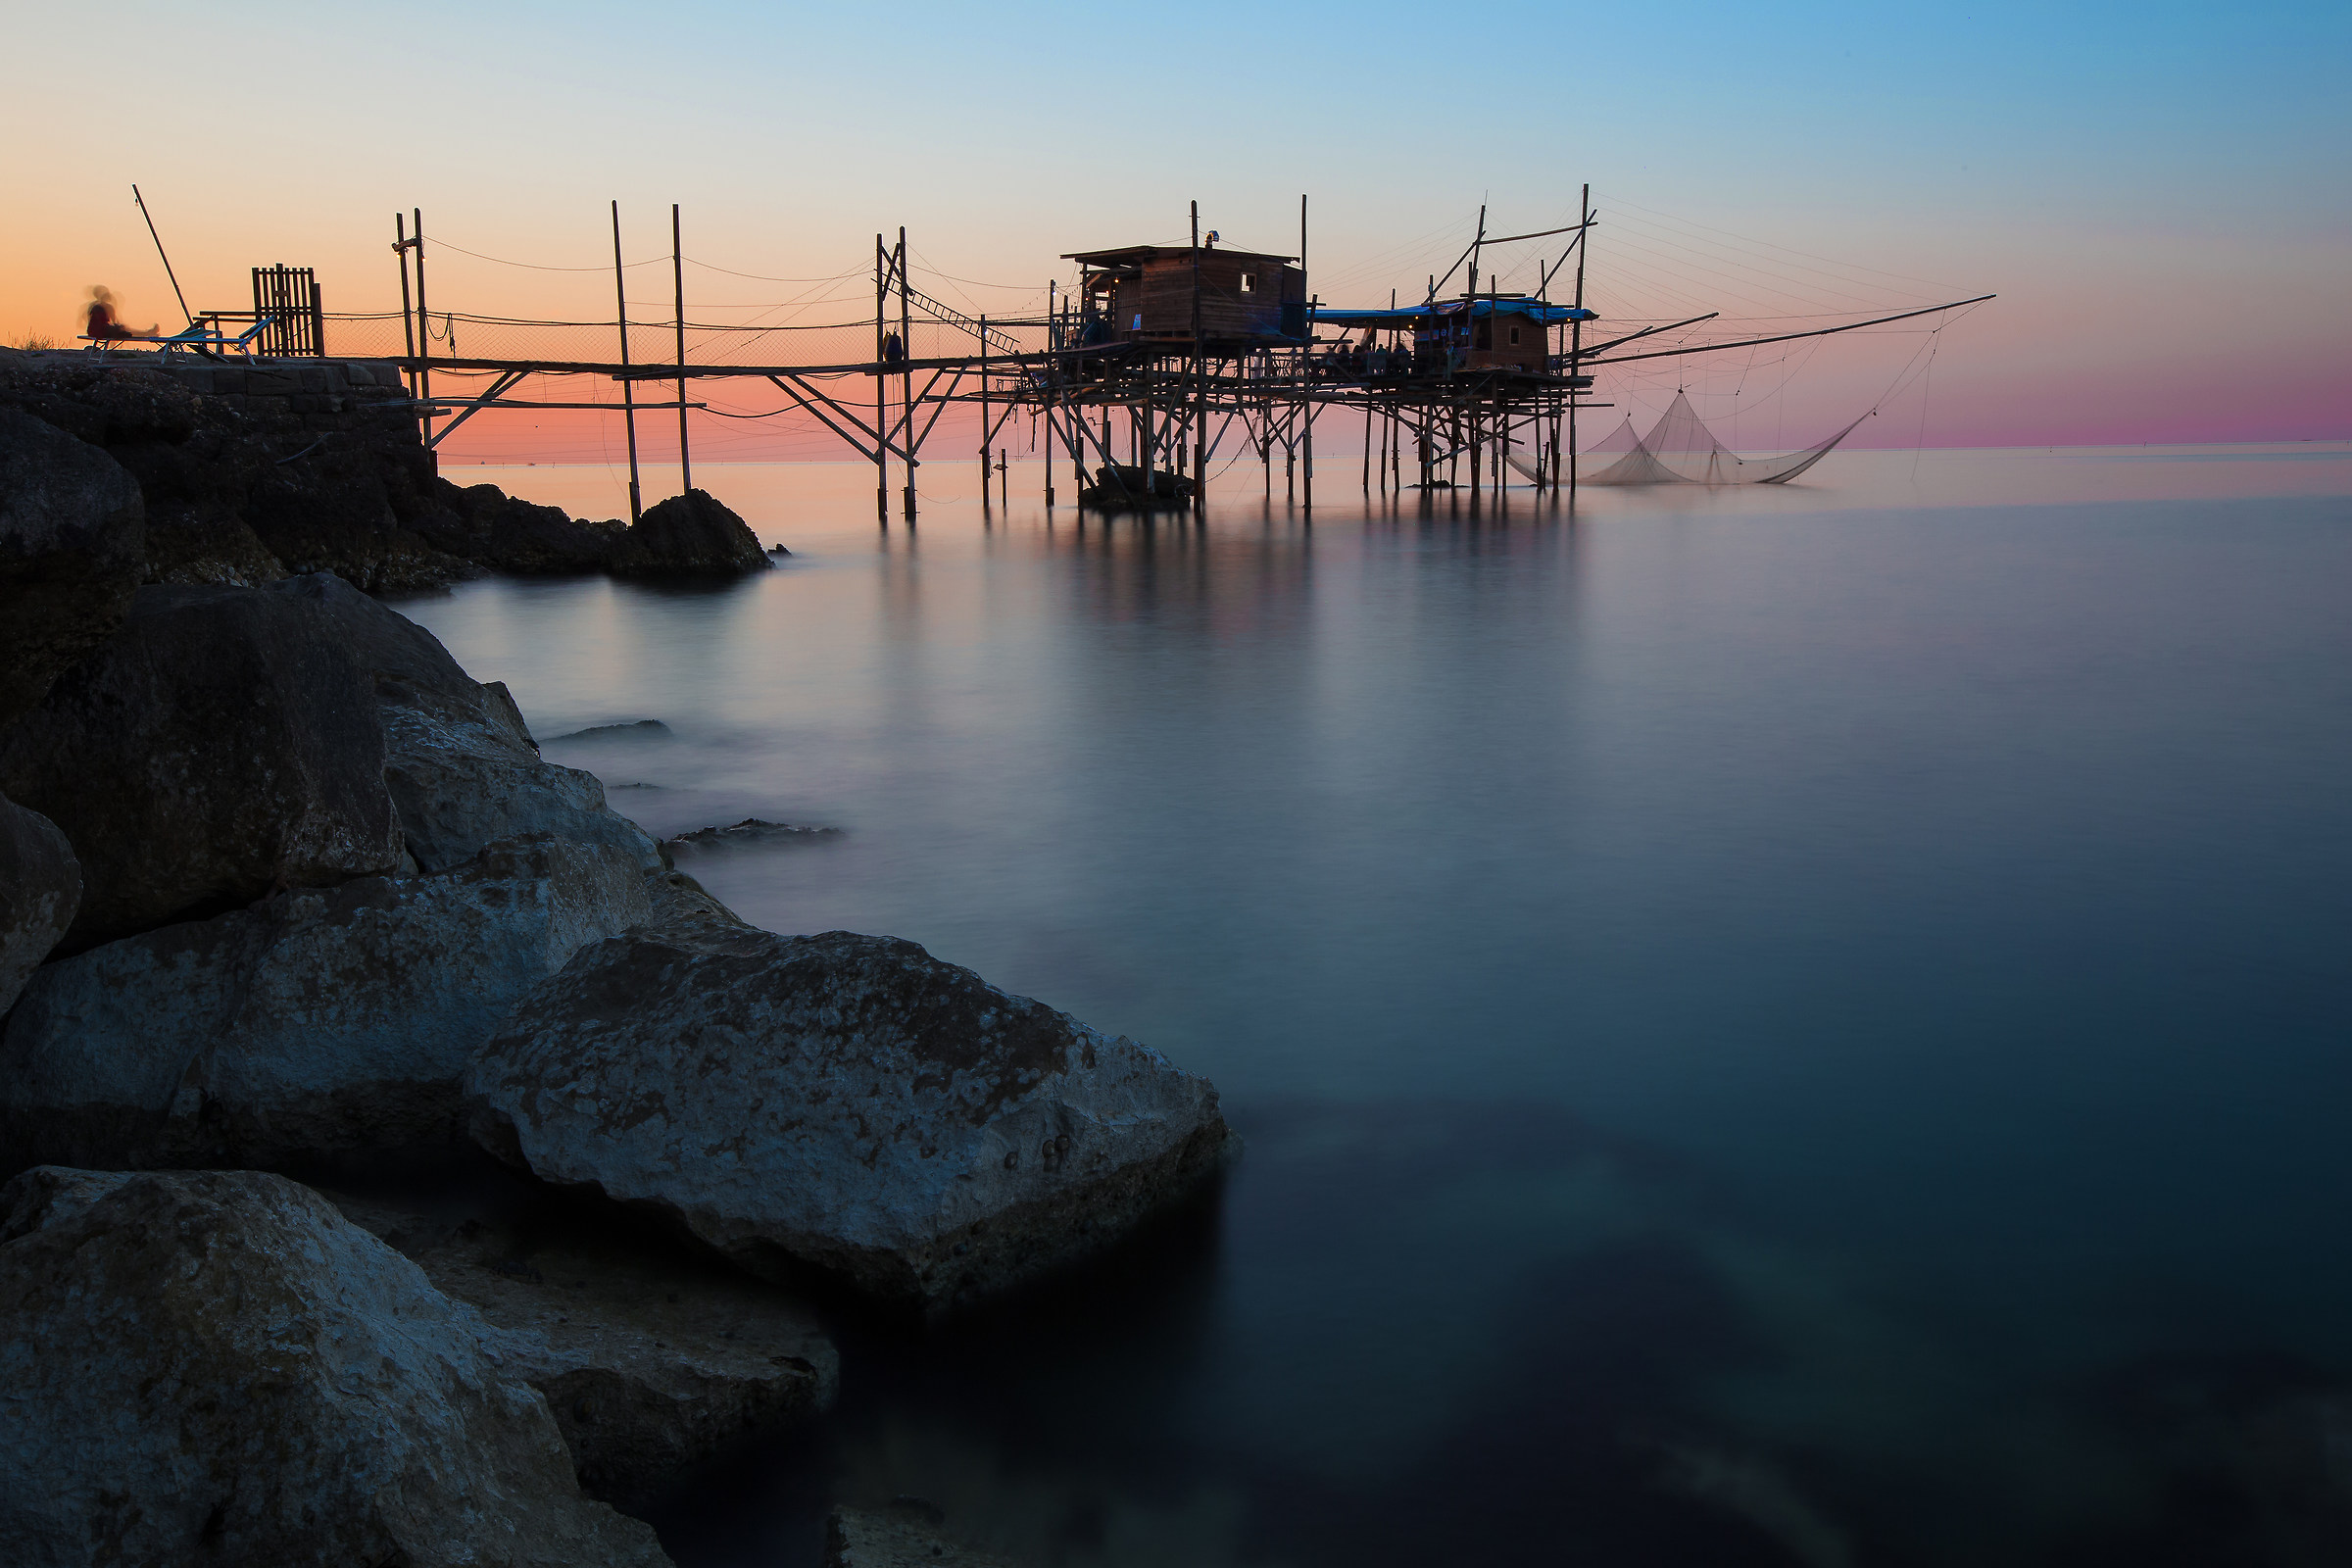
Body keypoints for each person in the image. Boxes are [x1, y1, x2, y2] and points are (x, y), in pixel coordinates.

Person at [83, 286, 154, 343]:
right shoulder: (106, 307)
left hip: (92, 331)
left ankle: (146, 333)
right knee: (124, 329)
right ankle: (146, 333)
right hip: (100, 332)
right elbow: (112, 323)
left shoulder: (94, 306)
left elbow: (92, 320)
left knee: (123, 329)